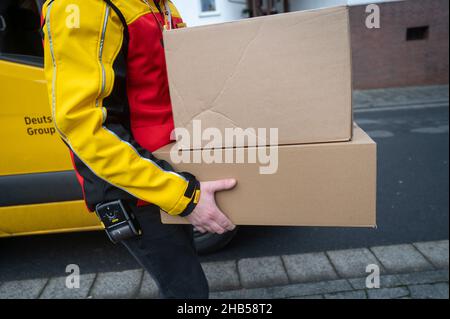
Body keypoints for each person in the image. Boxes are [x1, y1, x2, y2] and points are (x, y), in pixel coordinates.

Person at [42, 0, 236, 299]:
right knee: (188, 293)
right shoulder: (84, 5)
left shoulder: (159, 4)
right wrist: (182, 196)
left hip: (171, 172)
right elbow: (83, 127)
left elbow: (167, 84)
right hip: (138, 190)